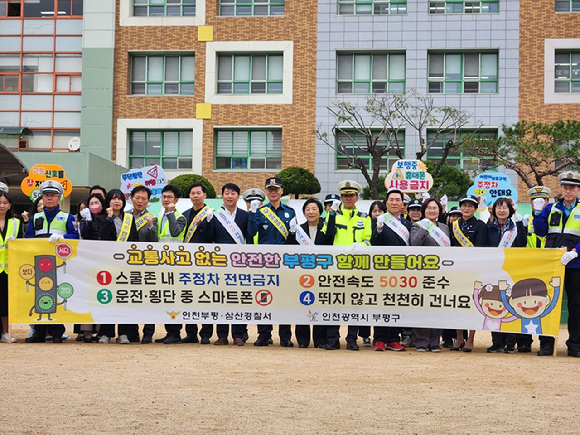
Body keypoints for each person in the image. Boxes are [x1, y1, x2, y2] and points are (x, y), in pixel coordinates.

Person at [24, 180, 79, 343]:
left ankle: (57, 332)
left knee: (57, 293)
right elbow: (28, 238)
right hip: (39, 262)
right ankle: (39, 331)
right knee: (39, 294)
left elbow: (75, 236)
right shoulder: (35, 218)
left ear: (59, 198)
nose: (49, 199)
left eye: (53, 196)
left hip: (59, 264)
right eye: (46, 195)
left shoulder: (67, 217)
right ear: (42, 197)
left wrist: (63, 237)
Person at [534, 171, 580, 358]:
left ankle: (575, 345)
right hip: (552, 265)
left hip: (575, 265)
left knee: (576, 305)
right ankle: (546, 344)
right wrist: (537, 213)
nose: (568, 191)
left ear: (578, 190)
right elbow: (540, 230)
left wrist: (575, 252)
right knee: (548, 304)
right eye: (565, 187)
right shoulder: (551, 208)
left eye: (572, 188)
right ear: (561, 189)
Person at [322, 180, 371, 351]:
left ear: (357, 197)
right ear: (340, 197)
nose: (348, 198)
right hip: (336, 266)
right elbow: (327, 235)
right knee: (334, 303)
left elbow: (368, 240)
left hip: (357, 266)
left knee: (354, 304)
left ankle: (352, 339)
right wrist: (332, 214)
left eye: (351, 195)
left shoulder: (364, 217)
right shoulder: (333, 214)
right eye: (344, 195)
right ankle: (332, 339)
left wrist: (362, 246)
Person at [248, 177, 295, 347]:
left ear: (282, 191)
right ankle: (264, 334)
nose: (273, 192)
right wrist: (252, 214)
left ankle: (285, 336)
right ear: (266, 192)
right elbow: (252, 232)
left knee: (285, 299)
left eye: (276, 189)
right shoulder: (260, 211)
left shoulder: (290, 212)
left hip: (284, 262)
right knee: (264, 298)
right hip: (265, 262)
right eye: (270, 189)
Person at [287, 198, 334, 348]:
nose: (311, 212)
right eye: (308, 209)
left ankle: (320, 340)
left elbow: (332, 240)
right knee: (303, 303)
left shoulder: (326, 227)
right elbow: (289, 248)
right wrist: (291, 232)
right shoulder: (299, 229)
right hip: (303, 274)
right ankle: (303, 339)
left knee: (320, 305)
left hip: (322, 273)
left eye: (314, 209)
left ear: (320, 211)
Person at [95, 189, 139, 344]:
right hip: (107, 264)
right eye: (113, 199)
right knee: (108, 297)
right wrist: (108, 218)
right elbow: (103, 236)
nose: (116, 201)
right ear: (108, 201)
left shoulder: (129, 218)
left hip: (125, 265)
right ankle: (106, 333)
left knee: (123, 298)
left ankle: (124, 333)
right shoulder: (101, 218)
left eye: (119, 199)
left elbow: (134, 239)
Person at [371, 188, 412, 352]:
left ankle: (394, 339)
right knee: (382, 304)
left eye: (398, 200)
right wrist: (379, 228)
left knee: (397, 304)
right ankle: (379, 339)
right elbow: (374, 242)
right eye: (391, 200)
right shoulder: (378, 221)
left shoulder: (408, 224)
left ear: (402, 204)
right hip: (382, 270)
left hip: (401, 270)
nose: (394, 202)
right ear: (386, 203)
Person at [485, 197, 527, 354]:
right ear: (494, 210)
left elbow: (522, 243)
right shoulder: (489, 227)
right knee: (494, 303)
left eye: (505, 207)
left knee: (511, 304)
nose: (501, 210)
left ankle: (510, 342)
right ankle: (496, 341)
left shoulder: (516, 226)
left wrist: (520, 223)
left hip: (512, 269)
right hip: (493, 270)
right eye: (498, 207)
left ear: (510, 210)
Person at [212, 183, 251, 346]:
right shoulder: (215, 215)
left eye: (233, 193)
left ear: (238, 196)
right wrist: (205, 223)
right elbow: (209, 237)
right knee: (221, 298)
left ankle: (238, 334)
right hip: (220, 263)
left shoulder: (245, 215)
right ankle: (222, 335)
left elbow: (250, 236)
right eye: (226, 193)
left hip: (240, 263)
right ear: (222, 196)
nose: (229, 196)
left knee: (239, 298)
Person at [410, 198, 450, 352]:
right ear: (423, 211)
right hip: (422, 273)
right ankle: (421, 342)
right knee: (421, 307)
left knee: (437, 307)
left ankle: (434, 341)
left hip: (440, 274)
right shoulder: (416, 226)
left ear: (439, 211)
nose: (432, 211)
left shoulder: (445, 228)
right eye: (429, 208)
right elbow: (414, 244)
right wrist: (424, 228)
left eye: (435, 208)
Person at [449, 194, 488, 352]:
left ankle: (470, 339)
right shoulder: (454, 225)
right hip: (456, 270)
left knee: (472, 305)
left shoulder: (480, 225)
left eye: (470, 206)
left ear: (475, 208)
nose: (466, 208)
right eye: (464, 205)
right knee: (458, 305)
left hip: (473, 270)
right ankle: (459, 338)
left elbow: (479, 249)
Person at [181, 182, 215, 344]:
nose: (195, 196)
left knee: (205, 298)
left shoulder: (210, 213)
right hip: (188, 263)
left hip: (205, 262)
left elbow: (211, 237)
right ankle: (191, 332)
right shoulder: (185, 214)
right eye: (192, 193)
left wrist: (206, 223)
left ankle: (206, 333)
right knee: (189, 298)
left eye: (198, 193)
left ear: (205, 195)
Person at [153, 185, 187, 344]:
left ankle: (175, 333)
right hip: (161, 263)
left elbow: (174, 232)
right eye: (164, 197)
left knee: (175, 299)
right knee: (165, 298)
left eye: (169, 197)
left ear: (176, 200)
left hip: (176, 264)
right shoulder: (159, 218)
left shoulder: (181, 217)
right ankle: (169, 332)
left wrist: (171, 213)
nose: (166, 200)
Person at [127, 186, 159, 344]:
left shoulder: (152, 218)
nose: (140, 201)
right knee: (130, 298)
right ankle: (132, 332)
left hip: (147, 265)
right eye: (137, 198)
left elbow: (155, 242)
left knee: (148, 300)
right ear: (131, 198)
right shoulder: (125, 217)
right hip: (127, 265)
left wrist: (151, 226)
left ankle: (148, 333)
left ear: (148, 201)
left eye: (144, 199)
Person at [77, 192, 108, 342]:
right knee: (87, 295)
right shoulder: (85, 220)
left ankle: (101, 330)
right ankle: (86, 331)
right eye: (91, 203)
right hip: (88, 262)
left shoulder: (105, 219)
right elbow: (84, 236)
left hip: (103, 262)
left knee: (102, 295)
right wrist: (87, 221)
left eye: (97, 203)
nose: (94, 206)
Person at [0, 187, 21, 343]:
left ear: (10, 205)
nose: (1, 205)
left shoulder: (16, 222)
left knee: (5, 302)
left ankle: (6, 332)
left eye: (5, 202)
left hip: (8, 269)